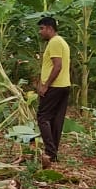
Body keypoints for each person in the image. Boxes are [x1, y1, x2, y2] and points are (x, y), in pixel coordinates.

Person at [33, 15, 71, 167]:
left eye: (42, 28)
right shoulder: (62, 41)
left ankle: (50, 151)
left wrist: (45, 85)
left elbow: (57, 66)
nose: (40, 32)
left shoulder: (54, 42)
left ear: (50, 28)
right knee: (56, 120)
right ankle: (52, 154)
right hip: (64, 85)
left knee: (42, 117)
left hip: (55, 86)